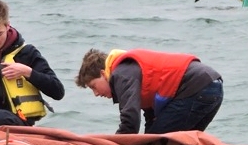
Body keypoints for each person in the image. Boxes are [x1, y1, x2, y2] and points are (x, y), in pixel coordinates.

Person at [75, 48, 223, 135]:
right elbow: (151, 117)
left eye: (93, 86)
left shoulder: (121, 73)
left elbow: (130, 119)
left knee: (157, 143)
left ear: (103, 73)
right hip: (213, 85)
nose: (96, 93)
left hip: (196, 87)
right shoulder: (131, 72)